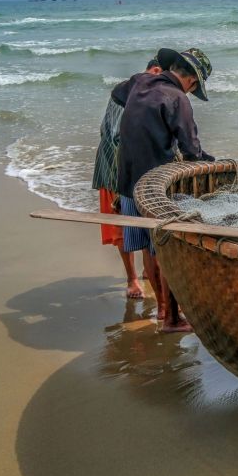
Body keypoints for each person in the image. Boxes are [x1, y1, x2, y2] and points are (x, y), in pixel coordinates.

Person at [116, 47, 215, 332]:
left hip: (126, 180)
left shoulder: (138, 81)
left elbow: (116, 94)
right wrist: (205, 161)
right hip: (154, 186)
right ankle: (171, 317)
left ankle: (162, 309)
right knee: (166, 250)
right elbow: (191, 148)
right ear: (191, 82)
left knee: (149, 248)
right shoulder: (177, 98)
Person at [92, 57, 162, 298]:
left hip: (130, 168)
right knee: (123, 227)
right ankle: (132, 278)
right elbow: (115, 138)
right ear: (155, 70)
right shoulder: (131, 94)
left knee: (138, 226)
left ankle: (146, 272)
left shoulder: (135, 89)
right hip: (114, 167)